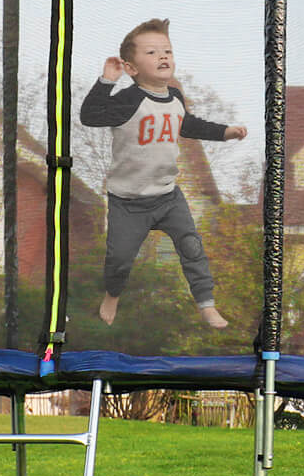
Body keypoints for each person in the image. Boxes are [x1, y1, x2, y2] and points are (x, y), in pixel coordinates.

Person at [79, 18, 246, 329]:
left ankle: (207, 305)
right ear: (131, 68)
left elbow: (190, 125)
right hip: (128, 202)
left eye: (167, 51)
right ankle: (112, 295)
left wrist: (226, 132)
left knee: (191, 246)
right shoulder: (129, 100)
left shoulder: (175, 97)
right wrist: (106, 81)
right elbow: (90, 116)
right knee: (119, 260)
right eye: (152, 52)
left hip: (168, 197)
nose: (163, 57)